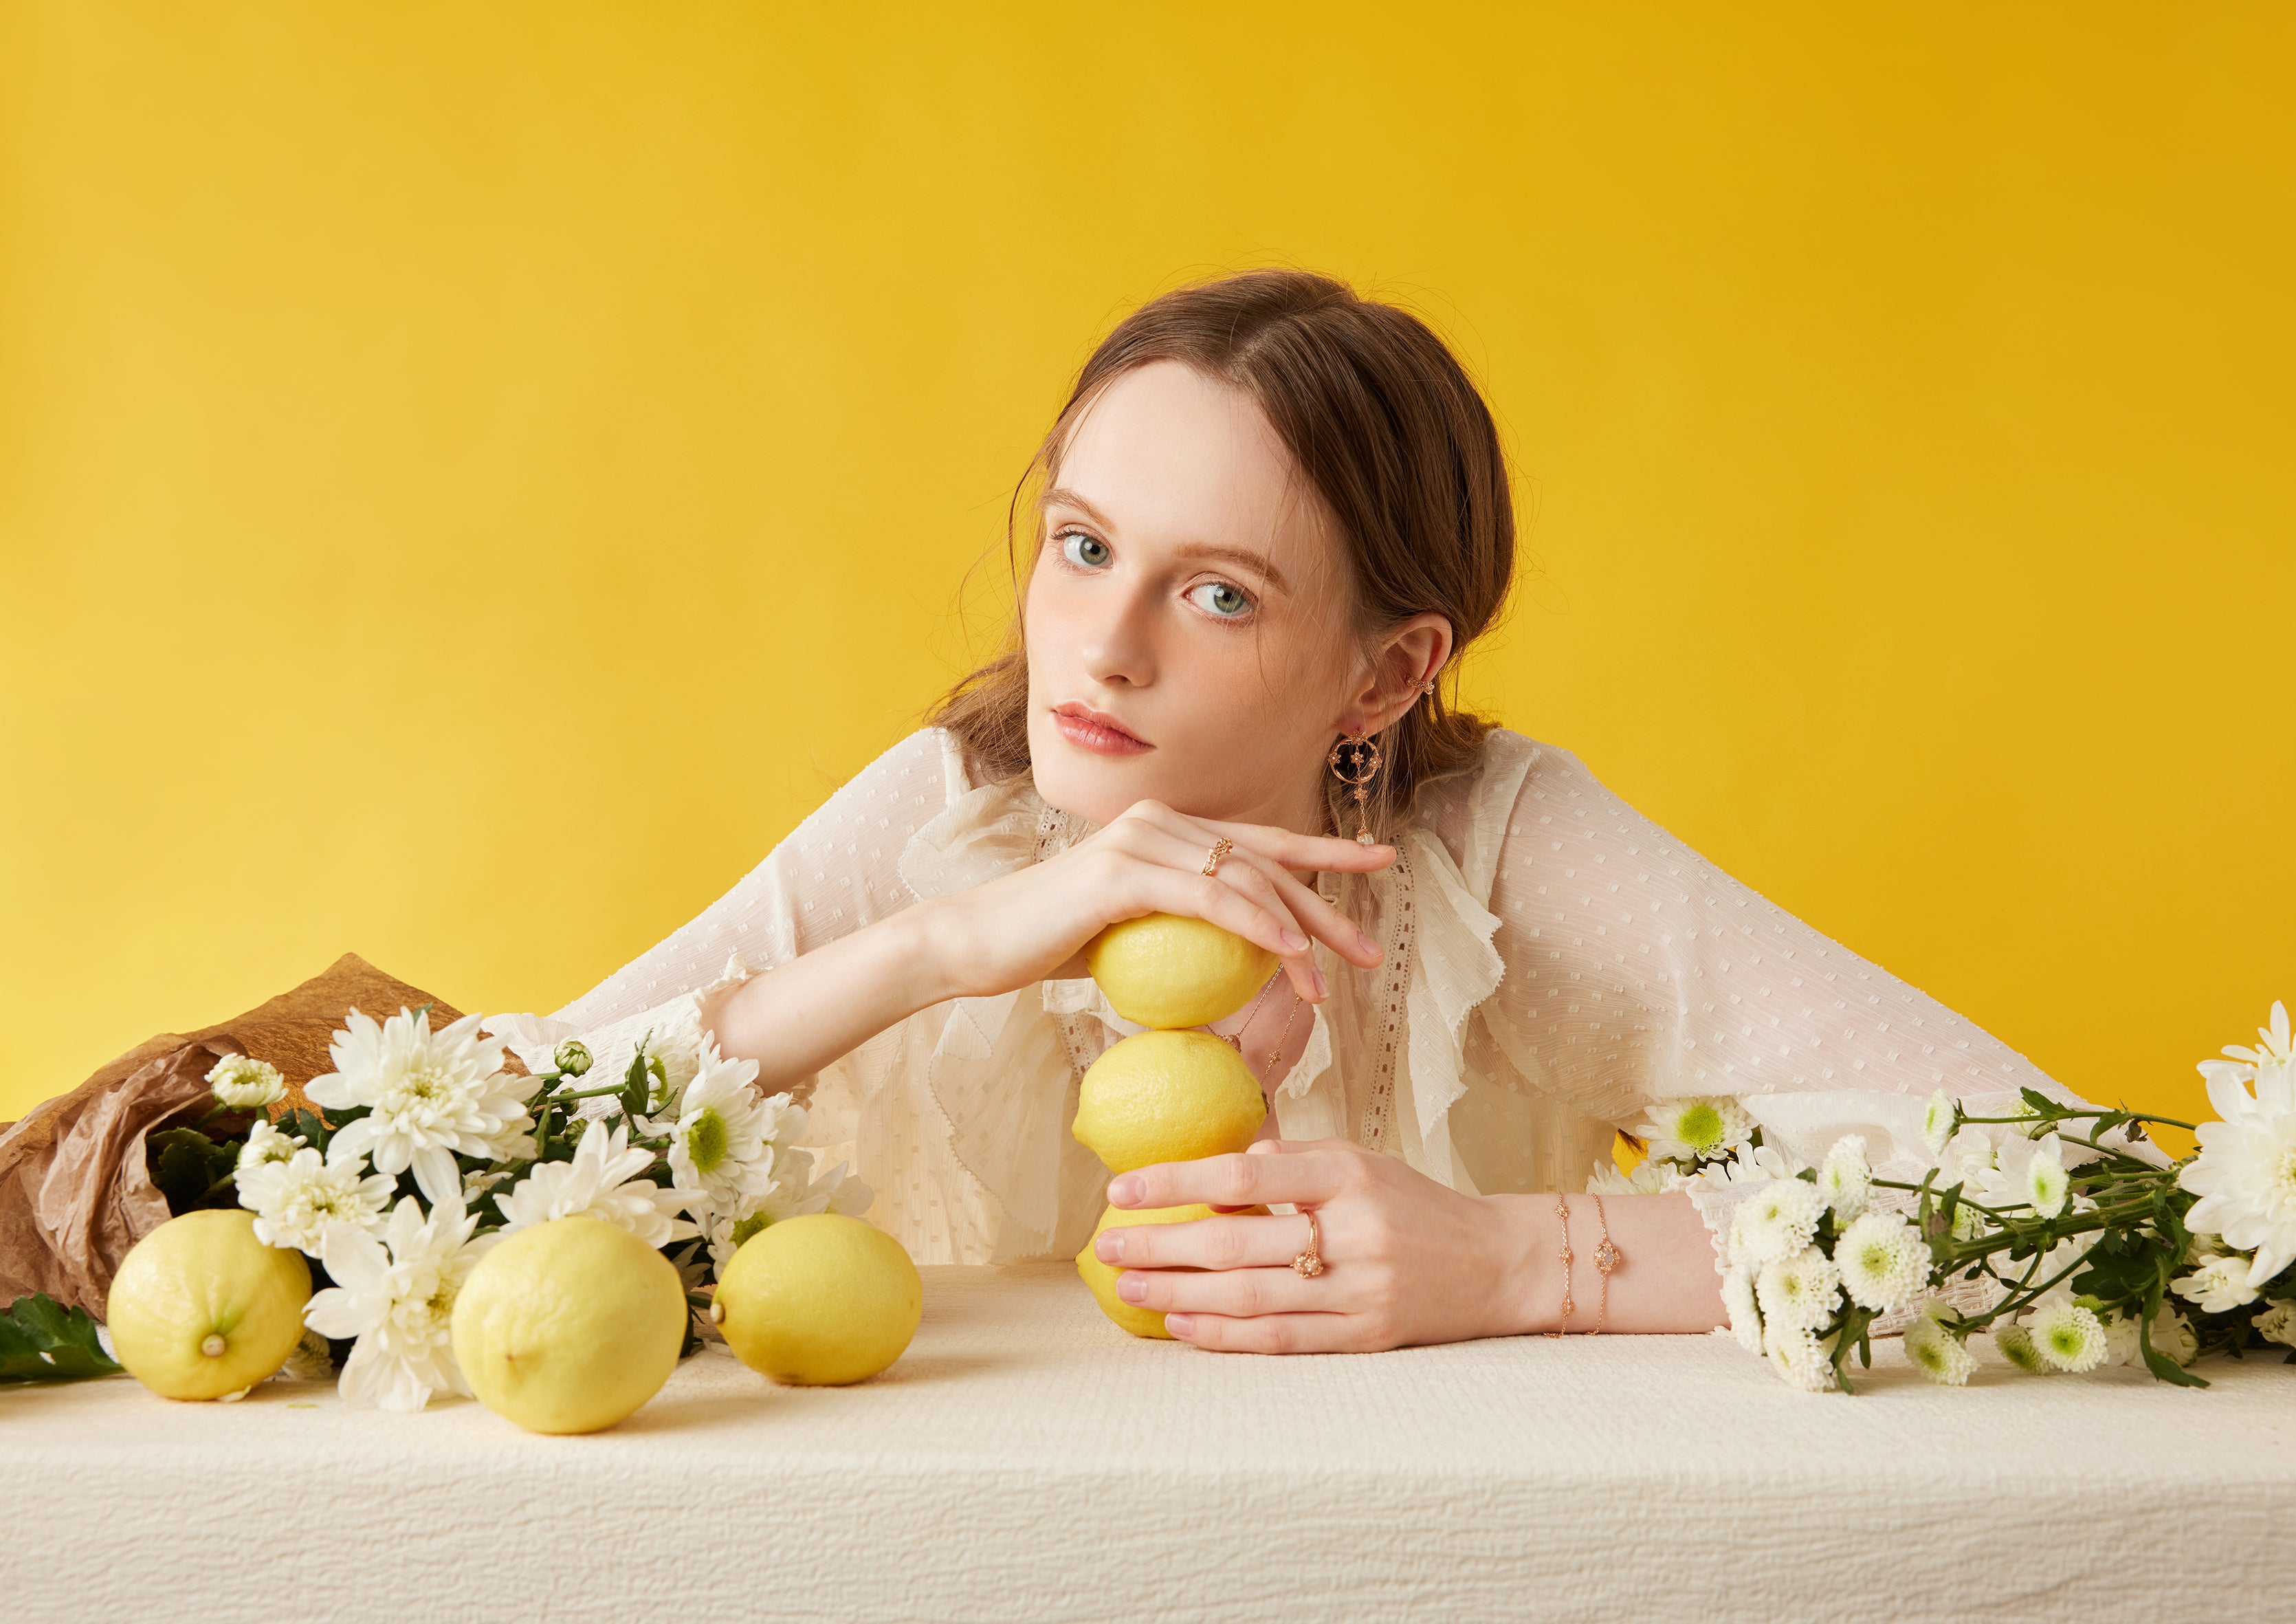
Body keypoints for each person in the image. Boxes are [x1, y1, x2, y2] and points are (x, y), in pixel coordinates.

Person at [551, 269, 2066, 1354]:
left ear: (1387, 671)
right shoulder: (957, 815)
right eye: (1081, 546)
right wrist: (938, 948)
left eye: (1218, 592)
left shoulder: (1494, 856)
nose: (1104, 644)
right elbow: (457, 1140)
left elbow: (2071, 1189)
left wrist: (1516, 1260)